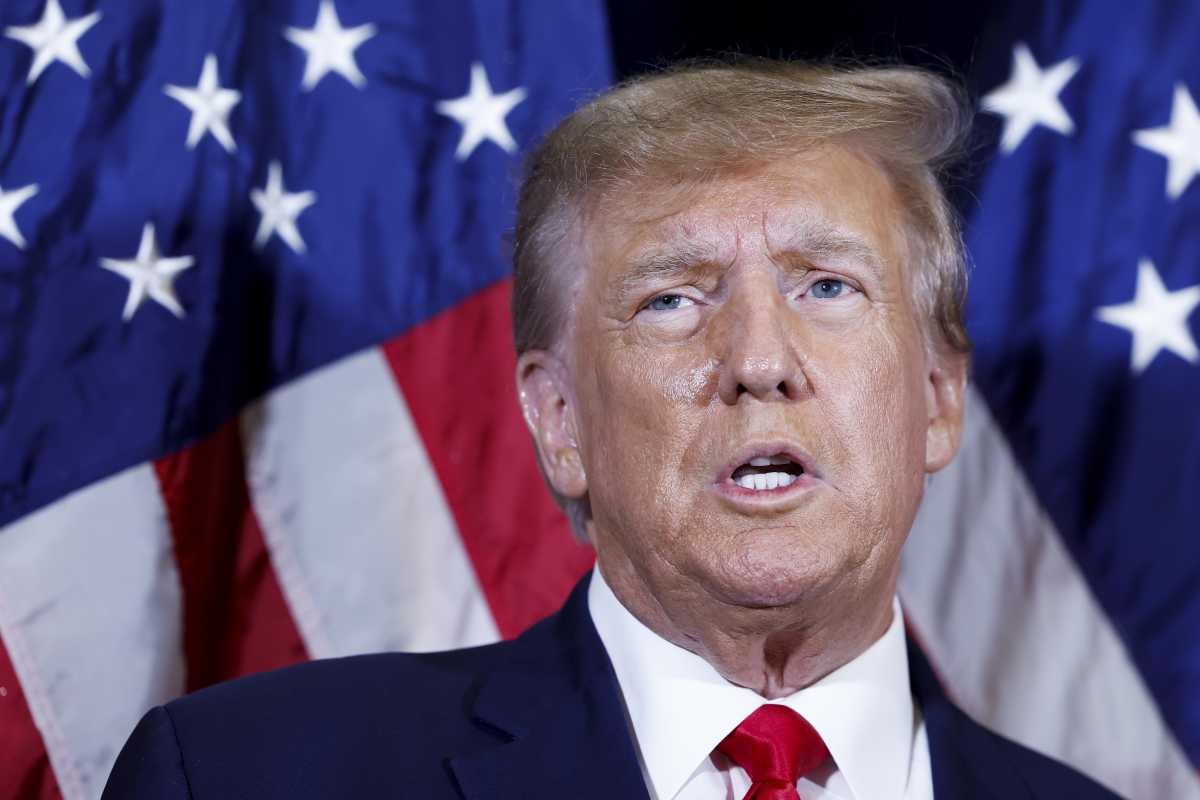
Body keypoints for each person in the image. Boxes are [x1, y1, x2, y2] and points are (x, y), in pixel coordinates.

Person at [103, 59, 1121, 800]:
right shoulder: (251, 776)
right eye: (674, 299)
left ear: (938, 397)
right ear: (558, 419)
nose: (760, 360)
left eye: (827, 283)